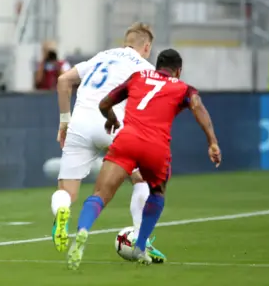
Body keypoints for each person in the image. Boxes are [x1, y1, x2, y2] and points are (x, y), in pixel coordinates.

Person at [66, 48, 221, 270]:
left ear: (157, 65)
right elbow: (197, 107)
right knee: (157, 192)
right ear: (178, 70)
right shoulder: (184, 88)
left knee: (100, 194)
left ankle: (82, 231)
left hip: (126, 140)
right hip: (156, 148)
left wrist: (111, 119)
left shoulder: (138, 76)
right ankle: (140, 246)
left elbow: (104, 104)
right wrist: (212, 141)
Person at [51, 23, 166, 263]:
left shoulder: (100, 57)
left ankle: (62, 212)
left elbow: (63, 81)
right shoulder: (145, 68)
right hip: (113, 124)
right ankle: (140, 240)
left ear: (126, 41)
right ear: (146, 47)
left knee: (66, 192)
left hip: (79, 124)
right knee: (143, 179)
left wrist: (64, 123)